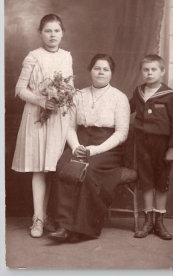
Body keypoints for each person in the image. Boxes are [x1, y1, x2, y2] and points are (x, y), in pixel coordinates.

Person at [48, 53, 131, 242]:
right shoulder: (78, 95)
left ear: (111, 73)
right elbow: (69, 127)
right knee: (63, 166)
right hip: (81, 141)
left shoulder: (119, 98)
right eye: (97, 68)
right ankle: (63, 225)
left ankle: (80, 229)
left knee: (89, 170)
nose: (101, 72)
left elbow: (121, 133)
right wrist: (76, 146)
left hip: (108, 147)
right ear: (90, 70)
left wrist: (95, 150)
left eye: (105, 69)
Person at [11, 14, 74, 238]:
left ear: (62, 33)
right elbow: (19, 89)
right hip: (37, 117)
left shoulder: (67, 57)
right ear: (40, 33)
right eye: (48, 31)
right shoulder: (33, 57)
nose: (52, 35)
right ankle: (37, 219)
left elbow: (70, 86)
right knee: (39, 168)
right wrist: (41, 100)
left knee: (51, 168)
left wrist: (64, 99)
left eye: (56, 31)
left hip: (58, 118)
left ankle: (47, 216)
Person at [130, 54, 173, 240]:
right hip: (142, 144)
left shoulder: (170, 96)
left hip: (162, 146)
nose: (149, 73)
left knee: (161, 182)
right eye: (146, 70)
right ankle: (148, 221)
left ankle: (159, 222)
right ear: (141, 72)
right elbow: (126, 108)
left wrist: (172, 148)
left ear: (162, 71)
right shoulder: (138, 92)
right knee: (146, 182)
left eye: (153, 69)